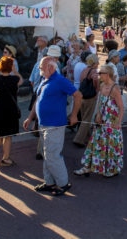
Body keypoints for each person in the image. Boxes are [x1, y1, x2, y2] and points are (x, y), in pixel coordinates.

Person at [22, 56, 82, 196]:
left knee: (52, 155)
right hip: (44, 124)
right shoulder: (45, 80)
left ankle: (63, 183)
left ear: (51, 67)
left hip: (55, 125)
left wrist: (74, 115)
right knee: (46, 154)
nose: (39, 69)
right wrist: (30, 117)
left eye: (41, 67)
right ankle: (49, 182)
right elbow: (38, 100)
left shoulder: (60, 80)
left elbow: (77, 95)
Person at [73, 64, 124, 177]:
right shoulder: (101, 85)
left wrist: (118, 123)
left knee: (111, 145)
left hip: (112, 120)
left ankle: (112, 169)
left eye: (101, 73)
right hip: (102, 119)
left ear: (108, 74)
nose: (98, 75)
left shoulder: (115, 88)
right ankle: (87, 166)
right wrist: (98, 114)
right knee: (95, 142)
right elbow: (100, 101)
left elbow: (121, 107)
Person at [0, 56, 23, 166]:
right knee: (8, 135)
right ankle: (5, 158)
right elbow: (21, 80)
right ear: (11, 67)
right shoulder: (14, 80)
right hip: (10, 108)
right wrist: (15, 71)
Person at [73, 54, 100, 147]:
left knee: (84, 116)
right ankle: (79, 139)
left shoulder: (84, 70)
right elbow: (96, 83)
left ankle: (88, 137)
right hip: (90, 97)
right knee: (87, 118)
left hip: (82, 95)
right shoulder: (94, 71)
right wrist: (97, 91)